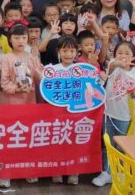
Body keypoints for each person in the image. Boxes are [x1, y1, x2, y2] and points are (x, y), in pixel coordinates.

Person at [92, 42, 135, 187]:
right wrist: (116, 63)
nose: (123, 56)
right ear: (115, 55)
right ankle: (106, 173)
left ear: (134, 57)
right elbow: (109, 69)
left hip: (125, 117)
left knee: (121, 146)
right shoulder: (113, 68)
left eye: (127, 53)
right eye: (120, 53)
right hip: (108, 114)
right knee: (108, 145)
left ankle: (119, 172)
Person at [0, 24, 43, 187]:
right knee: (9, 138)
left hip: (29, 102)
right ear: (10, 39)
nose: (20, 41)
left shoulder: (31, 56)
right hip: (10, 104)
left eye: (24, 37)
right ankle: (6, 173)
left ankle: (28, 169)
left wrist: (35, 66)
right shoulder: (6, 58)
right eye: (16, 38)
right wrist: (17, 89)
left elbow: (40, 79)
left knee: (28, 138)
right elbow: (4, 83)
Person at [51, 35, 81, 186]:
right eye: (64, 51)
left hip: (76, 114)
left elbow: (91, 89)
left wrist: (101, 77)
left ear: (77, 52)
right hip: (57, 114)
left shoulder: (82, 70)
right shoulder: (52, 70)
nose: (68, 54)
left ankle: (73, 172)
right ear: (58, 51)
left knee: (74, 143)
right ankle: (57, 171)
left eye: (71, 51)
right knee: (57, 142)